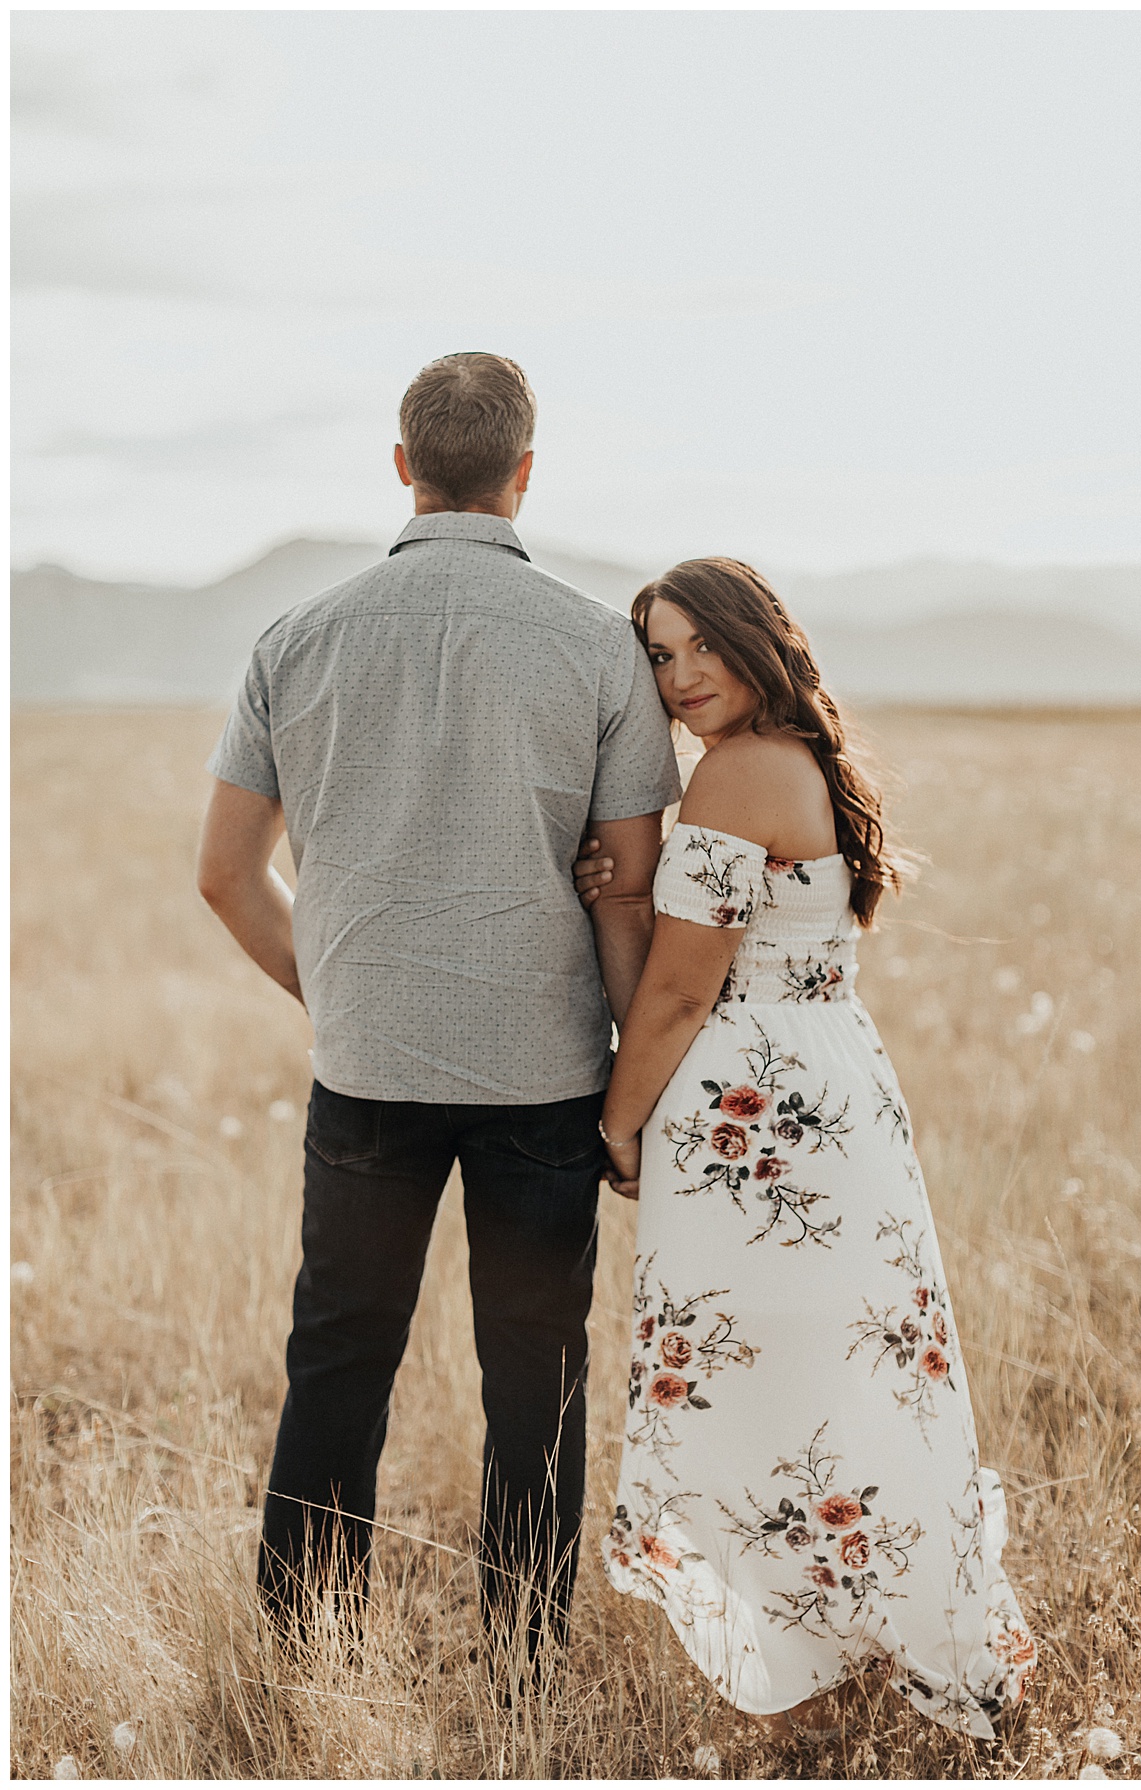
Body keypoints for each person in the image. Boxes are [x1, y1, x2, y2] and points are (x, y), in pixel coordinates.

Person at [196, 352, 681, 1663]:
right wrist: (639, 1089)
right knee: (536, 1371)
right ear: (525, 473)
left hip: (366, 1065)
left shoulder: (294, 638)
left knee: (339, 1358)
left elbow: (224, 874)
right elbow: (628, 889)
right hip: (547, 1074)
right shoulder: (596, 647)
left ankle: (300, 1658)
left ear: (402, 465)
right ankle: (525, 1671)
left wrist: (337, 984)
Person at [572, 558, 1036, 1738]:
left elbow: (679, 995)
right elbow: (688, 952)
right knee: (847, 1370)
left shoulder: (735, 771)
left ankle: (818, 1671)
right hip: (829, 1087)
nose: (680, 678)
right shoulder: (807, 758)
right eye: (660, 657)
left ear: (753, 636)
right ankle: (858, 1647)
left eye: (698, 646)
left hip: (757, 1114)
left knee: (760, 1376)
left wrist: (617, 1123)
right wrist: (620, 902)